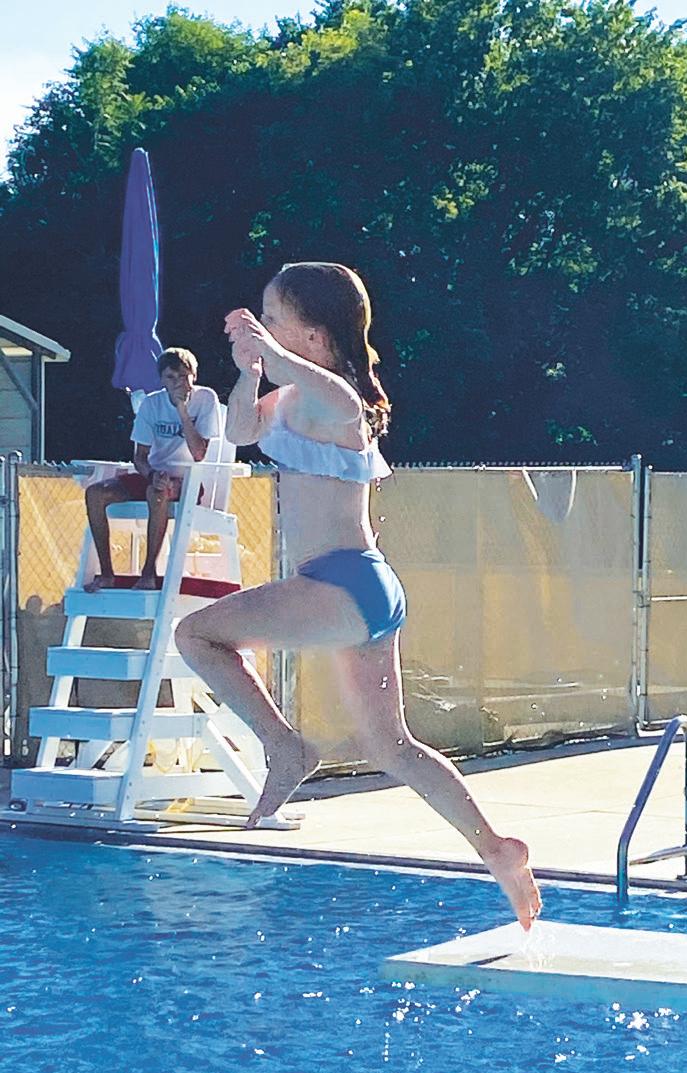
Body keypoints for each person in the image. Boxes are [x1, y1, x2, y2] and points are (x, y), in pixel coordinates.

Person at [174, 263, 542, 930]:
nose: (263, 326)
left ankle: (285, 747)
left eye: (274, 317)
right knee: (392, 747)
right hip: (359, 590)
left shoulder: (339, 400)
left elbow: (330, 392)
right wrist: (249, 370)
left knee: (195, 634)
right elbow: (240, 432)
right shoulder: (292, 397)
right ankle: (496, 849)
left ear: (313, 336)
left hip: (340, 583)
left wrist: (269, 352)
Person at [84, 347, 221, 592]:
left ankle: (148, 573)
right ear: (162, 380)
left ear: (194, 376)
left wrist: (182, 410)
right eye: (171, 377)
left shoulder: (206, 399)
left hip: (188, 482)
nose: (178, 382)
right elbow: (140, 457)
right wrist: (152, 475)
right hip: (153, 475)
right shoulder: (151, 404)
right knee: (95, 493)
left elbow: (199, 453)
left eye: (183, 375)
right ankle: (106, 574)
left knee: (156, 494)